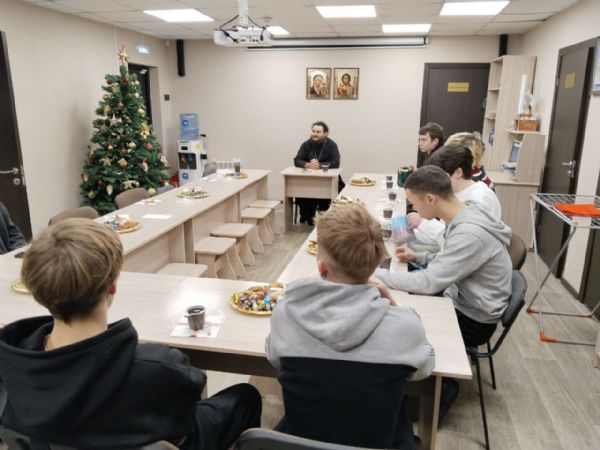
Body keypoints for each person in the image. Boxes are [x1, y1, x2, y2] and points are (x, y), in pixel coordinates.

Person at [0, 218, 261, 449]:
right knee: (244, 397)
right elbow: (186, 410)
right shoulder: (158, 367)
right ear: (111, 289)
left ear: (37, 293)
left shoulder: (12, 367)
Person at [266, 204, 434, 449]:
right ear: (376, 264)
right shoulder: (405, 326)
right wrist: (394, 303)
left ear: (321, 267)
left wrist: (307, 292)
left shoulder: (285, 314)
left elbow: (275, 359)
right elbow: (424, 370)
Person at [374, 166, 512, 348]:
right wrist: (418, 257)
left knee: (388, 320)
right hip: (459, 296)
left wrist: (374, 274)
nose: (413, 208)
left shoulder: (469, 234)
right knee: (393, 299)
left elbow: (428, 283)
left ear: (430, 199)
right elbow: (451, 258)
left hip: (472, 320)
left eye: (413, 203)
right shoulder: (465, 211)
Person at [408, 143, 502, 249]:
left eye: (440, 175)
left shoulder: (480, 198)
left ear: (458, 172)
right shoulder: (455, 192)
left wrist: (422, 222)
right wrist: (410, 234)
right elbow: (442, 236)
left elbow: (457, 241)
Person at [293, 121, 342, 225]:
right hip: (309, 180)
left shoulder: (332, 145)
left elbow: (336, 163)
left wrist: (319, 166)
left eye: (318, 132)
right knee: (301, 189)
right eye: (313, 131)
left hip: (329, 180)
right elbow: (297, 160)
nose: (314, 134)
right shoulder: (306, 144)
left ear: (325, 133)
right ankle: (308, 216)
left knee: (330, 191)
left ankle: (325, 217)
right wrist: (308, 164)